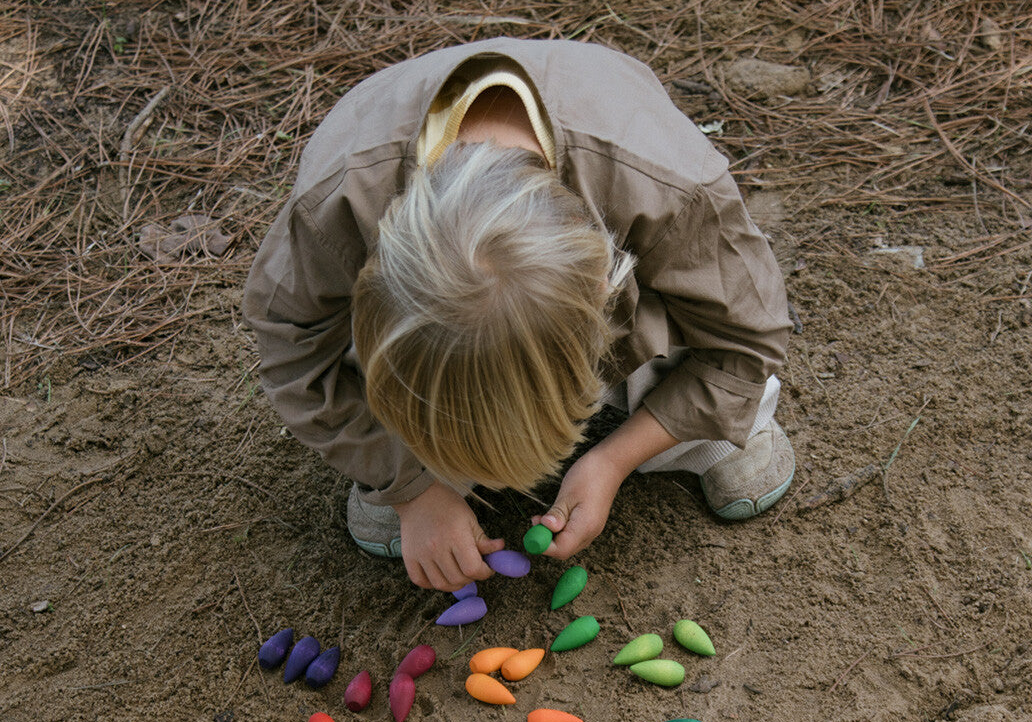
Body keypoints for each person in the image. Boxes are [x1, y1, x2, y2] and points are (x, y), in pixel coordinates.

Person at [243, 38, 794, 593]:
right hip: (413, 303)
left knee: (712, 343)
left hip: (637, 255)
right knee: (365, 374)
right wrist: (410, 488)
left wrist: (613, 460)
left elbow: (748, 339)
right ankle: (407, 463)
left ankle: (708, 437)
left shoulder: (670, 190)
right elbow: (292, 356)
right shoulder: (333, 210)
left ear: (605, 288)